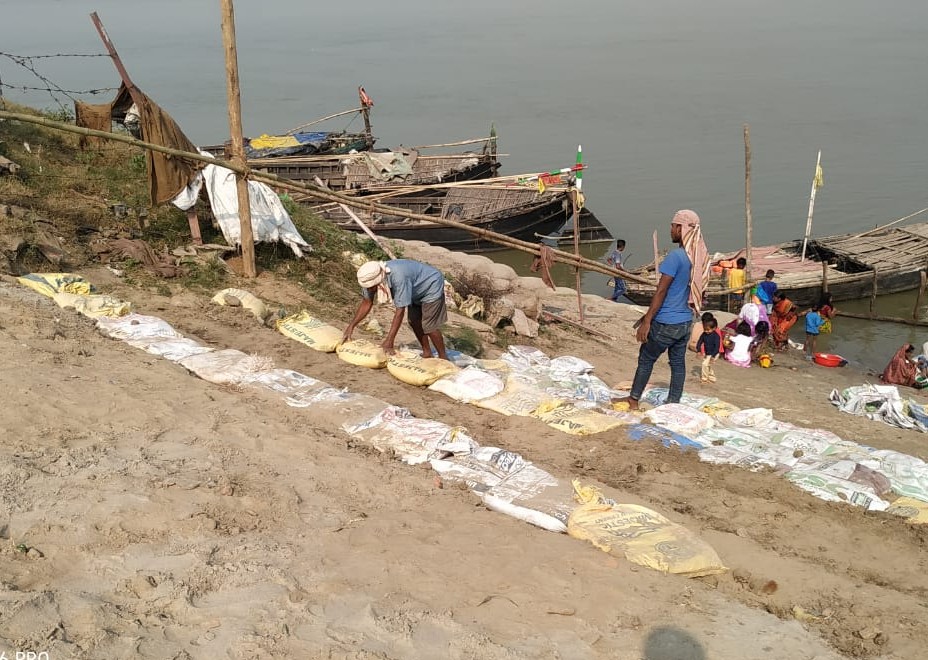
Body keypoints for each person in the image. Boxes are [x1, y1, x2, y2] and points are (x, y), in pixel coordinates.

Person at [617, 209, 709, 410]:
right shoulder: (697, 257)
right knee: (677, 364)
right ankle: (673, 402)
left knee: (646, 358)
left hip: (666, 321)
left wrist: (647, 320)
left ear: (681, 228)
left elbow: (661, 292)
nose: (671, 230)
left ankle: (633, 400)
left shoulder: (676, 257)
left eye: (673, 226)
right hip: (686, 321)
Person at [342, 259, 449, 360]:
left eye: (372, 287)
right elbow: (367, 302)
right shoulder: (369, 280)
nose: (370, 289)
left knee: (429, 326)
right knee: (414, 321)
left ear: (379, 281)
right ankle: (427, 352)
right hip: (413, 288)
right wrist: (351, 326)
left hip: (430, 284)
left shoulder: (398, 277)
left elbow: (400, 311)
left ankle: (443, 357)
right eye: (368, 287)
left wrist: (390, 341)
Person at [696, 317, 721, 383]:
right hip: (707, 353)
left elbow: (717, 347)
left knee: (704, 364)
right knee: (708, 365)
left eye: (708, 330)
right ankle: (712, 377)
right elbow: (699, 342)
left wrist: (713, 356)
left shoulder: (716, 336)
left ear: (714, 328)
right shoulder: (704, 334)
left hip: (714, 353)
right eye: (705, 329)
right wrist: (698, 350)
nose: (706, 331)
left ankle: (704, 378)